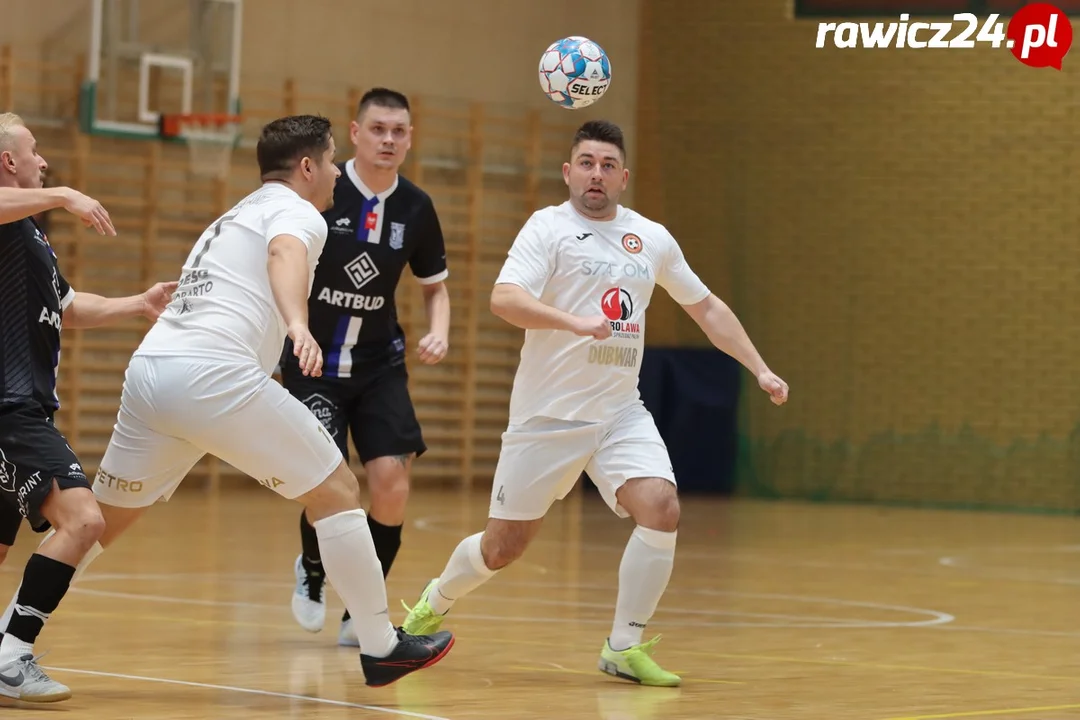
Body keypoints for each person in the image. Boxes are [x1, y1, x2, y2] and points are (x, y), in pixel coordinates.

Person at [0, 114, 455, 689]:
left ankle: (8, 642)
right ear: (307, 167)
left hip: (152, 374)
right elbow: (284, 257)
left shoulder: (235, 212)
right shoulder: (296, 213)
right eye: (333, 159)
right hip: (215, 377)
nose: (338, 171)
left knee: (99, 524)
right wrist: (298, 323)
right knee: (337, 488)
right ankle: (381, 645)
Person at [400, 120, 789, 687]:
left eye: (607, 165)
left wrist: (759, 367)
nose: (596, 174)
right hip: (546, 417)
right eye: (586, 162)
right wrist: (574, 322)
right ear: (568, 171)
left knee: (661, 506)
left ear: (623, 177)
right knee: (503, 547)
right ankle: (433, 601)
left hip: (618, 412)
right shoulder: (547, 228)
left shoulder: (650, 238)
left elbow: (706, 308)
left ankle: (623, 645)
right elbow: (505, 298)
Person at [0, 112, 176, 702]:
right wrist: (66, 194)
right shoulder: (10, 219)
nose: (43, 160)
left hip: (24, 410)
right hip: (9, 409)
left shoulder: (29, 237)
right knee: (85, 520)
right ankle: (11, 654)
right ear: (8, 162)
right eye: (34, 151)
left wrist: (138, 303)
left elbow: (70, 307)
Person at [285, 88, 450, 648]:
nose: (388, 140)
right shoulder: (323, 192)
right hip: (315, 365)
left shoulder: (417, 208)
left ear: (409, 137)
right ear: (355, 133)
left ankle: (364, 607)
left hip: (380, 365)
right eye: (378, 129)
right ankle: (311, 569)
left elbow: (436, 289)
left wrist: (440, 329)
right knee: (332, 482)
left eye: (399, 131)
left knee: (390, 486)